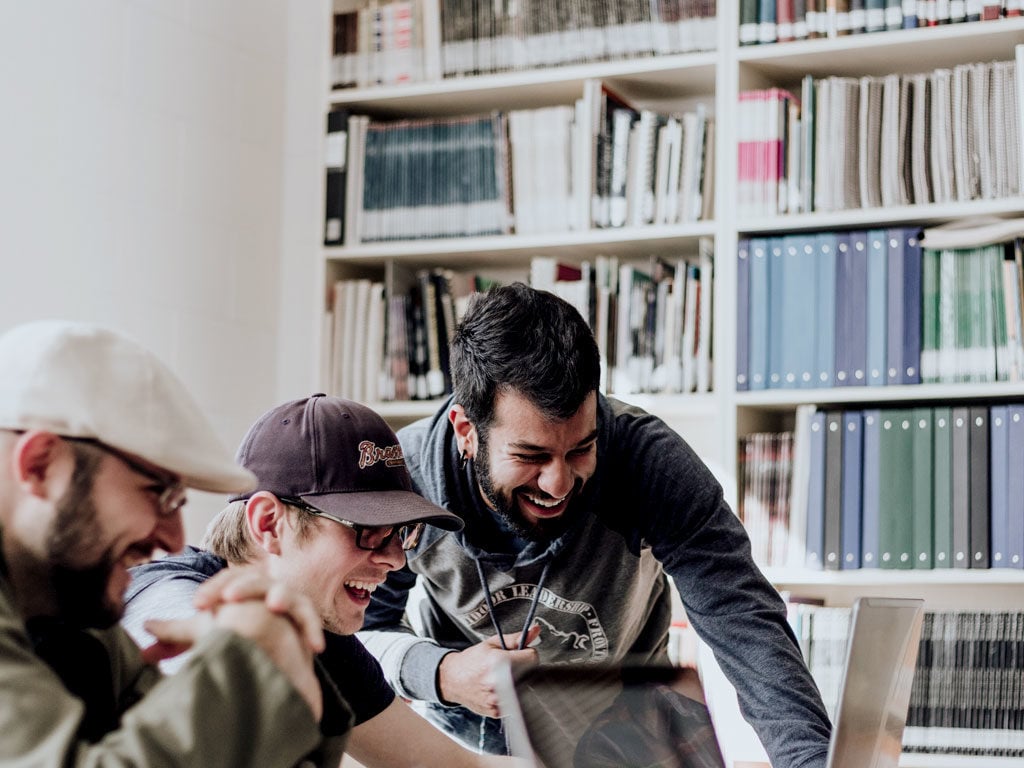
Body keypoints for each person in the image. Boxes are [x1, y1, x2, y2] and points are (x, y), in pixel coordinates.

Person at [358, 283, 832, 768]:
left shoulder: (646, 460)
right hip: (469, 745)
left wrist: (810, 760)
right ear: (466, 431)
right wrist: (443, 674)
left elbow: (743, 617)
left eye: (580, 449)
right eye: (531, 456)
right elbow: (359, 633)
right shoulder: (405, 479)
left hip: (628, 735)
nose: (559, 483)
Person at [0, 320, 348, 766]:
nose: (175, 538)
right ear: (40, 465)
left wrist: (284, 663)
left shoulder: (78, 608)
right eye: (159, 494)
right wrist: (249, 663)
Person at [123, 393, 520, 768]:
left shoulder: (320, 633)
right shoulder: (163, 592)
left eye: (403, 532)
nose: (397, 560)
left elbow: (455, 765)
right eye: (369, 529)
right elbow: (193, 647)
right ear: (269, 523)